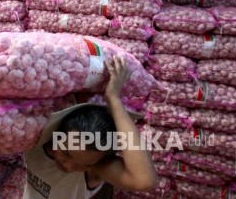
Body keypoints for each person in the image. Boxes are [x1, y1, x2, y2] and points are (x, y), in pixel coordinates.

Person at [23, 56, 158, 199]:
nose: (69, 167)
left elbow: (145, 181)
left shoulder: (95, 168)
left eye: (83, 165)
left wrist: (114, 100)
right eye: (66, 153)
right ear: (57, 133)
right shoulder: (35, 139)